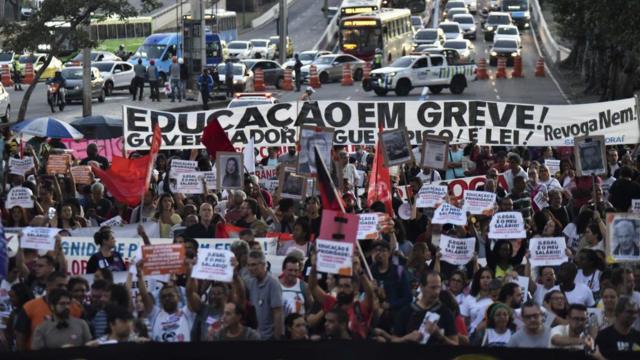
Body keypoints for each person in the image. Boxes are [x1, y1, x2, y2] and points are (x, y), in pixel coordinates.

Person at [14, 272, 83, 351]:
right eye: (60, 285)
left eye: (66, 286)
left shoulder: (75, 307)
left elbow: (82, 334)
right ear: (48, 285)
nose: (63, 289)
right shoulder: (30, 307)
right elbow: (20, 336)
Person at [244, 250, 283, 340]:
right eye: (248, 265)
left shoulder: (273, 283)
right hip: (256, 336)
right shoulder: (251, 281)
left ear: (263, 264)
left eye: (254, 264)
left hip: (269, 338)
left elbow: (278, 313)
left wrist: (276, 339)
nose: (250, 268)